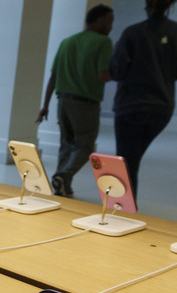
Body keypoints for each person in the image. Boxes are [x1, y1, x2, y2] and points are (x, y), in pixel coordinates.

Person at [110, 0, 177, 198]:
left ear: (147, 5)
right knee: (131, 162)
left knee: (126, 163)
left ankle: (123, 211)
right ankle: (125, 209)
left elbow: (117, 71)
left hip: (131, 106)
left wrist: (116, 51)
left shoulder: (132, 33)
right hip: (162, 108)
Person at [37, 4, 114, 198]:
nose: (111, 25)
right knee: (85, 145)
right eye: (109, 21)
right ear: (99, 21)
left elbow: (53, 77)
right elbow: (103, 75)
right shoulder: (103, 42)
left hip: (62, 101)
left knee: (66, 144)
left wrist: (45, 106)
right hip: (86, 103)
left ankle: (63, 187)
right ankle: (63, 175)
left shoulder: (67, 42)